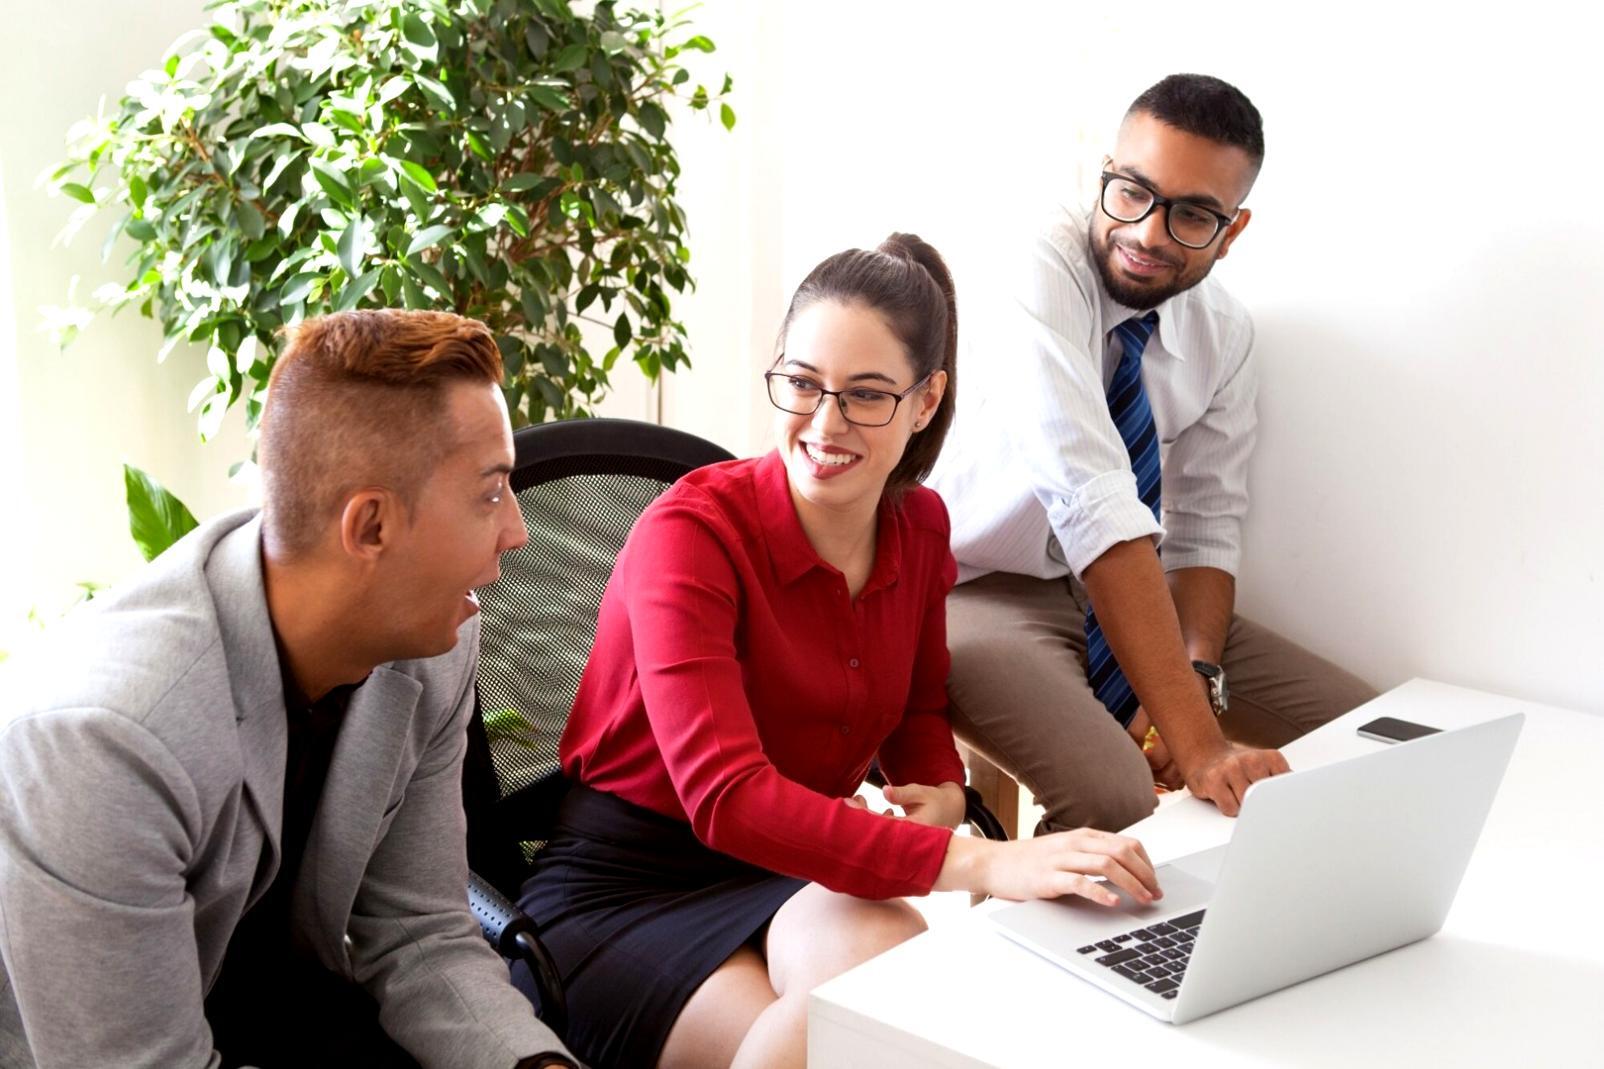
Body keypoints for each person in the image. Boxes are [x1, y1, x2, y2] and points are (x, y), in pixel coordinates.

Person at [511, 234, 1163, 1069]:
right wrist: (983, 861)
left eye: (866, 395)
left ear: (926, 401)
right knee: (841, 1039)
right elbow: (727, 796)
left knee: (891, 971)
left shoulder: (920, 526)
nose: (825, 422)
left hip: (790, 866)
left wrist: (942, 788)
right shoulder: (689, 534)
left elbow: (919, 702)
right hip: (625, 888)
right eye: (802, 383)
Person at [0, 310, 576, 1069]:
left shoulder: (430, 640)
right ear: (370, 526)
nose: (518, 530)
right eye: (491, 493)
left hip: (283, 1018)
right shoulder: (104, 740)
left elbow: (418, 930)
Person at [926, 74, 1377, 834]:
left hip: (1124, 587)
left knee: (1371, 736)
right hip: (971, 585)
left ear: (1232, 231)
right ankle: (1057, 908)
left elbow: (1203, 529)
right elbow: (1091, 498)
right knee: (1113, 798)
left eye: (1192, 214)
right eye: (1132, 192)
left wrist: (1196, 675)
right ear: (1105, 174)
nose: (1147, 233)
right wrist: (1199, 745)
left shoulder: (1225, 335)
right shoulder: (1036, 265)